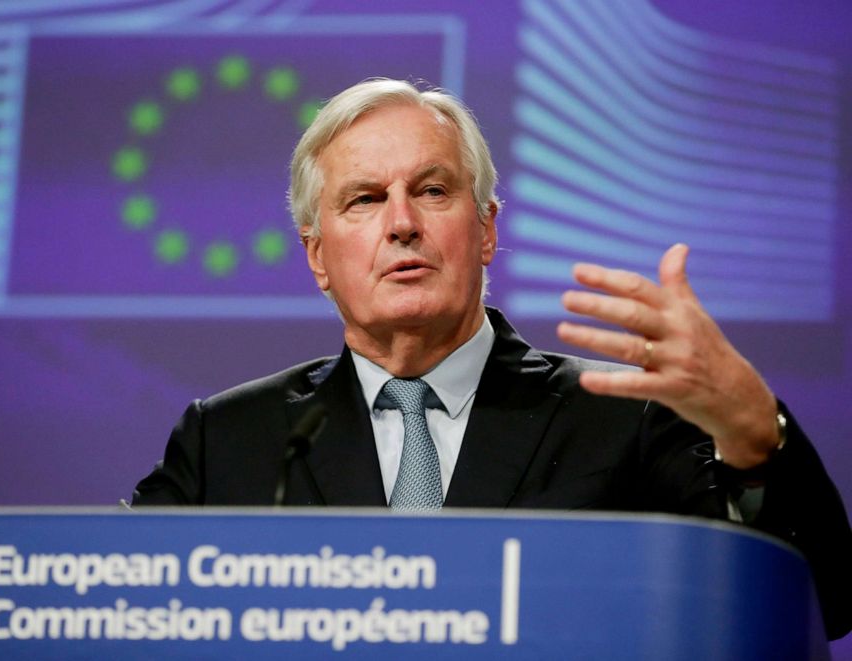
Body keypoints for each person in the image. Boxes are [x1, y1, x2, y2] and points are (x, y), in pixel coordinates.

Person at [132, 78, 851, 639]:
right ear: (318, 256)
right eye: (365, 199)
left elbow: (821, 599)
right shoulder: (227, 441)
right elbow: (110, 607)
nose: (403, 223)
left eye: (433, 190)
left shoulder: (623, 418)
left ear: (486, 231)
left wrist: (757, 432)